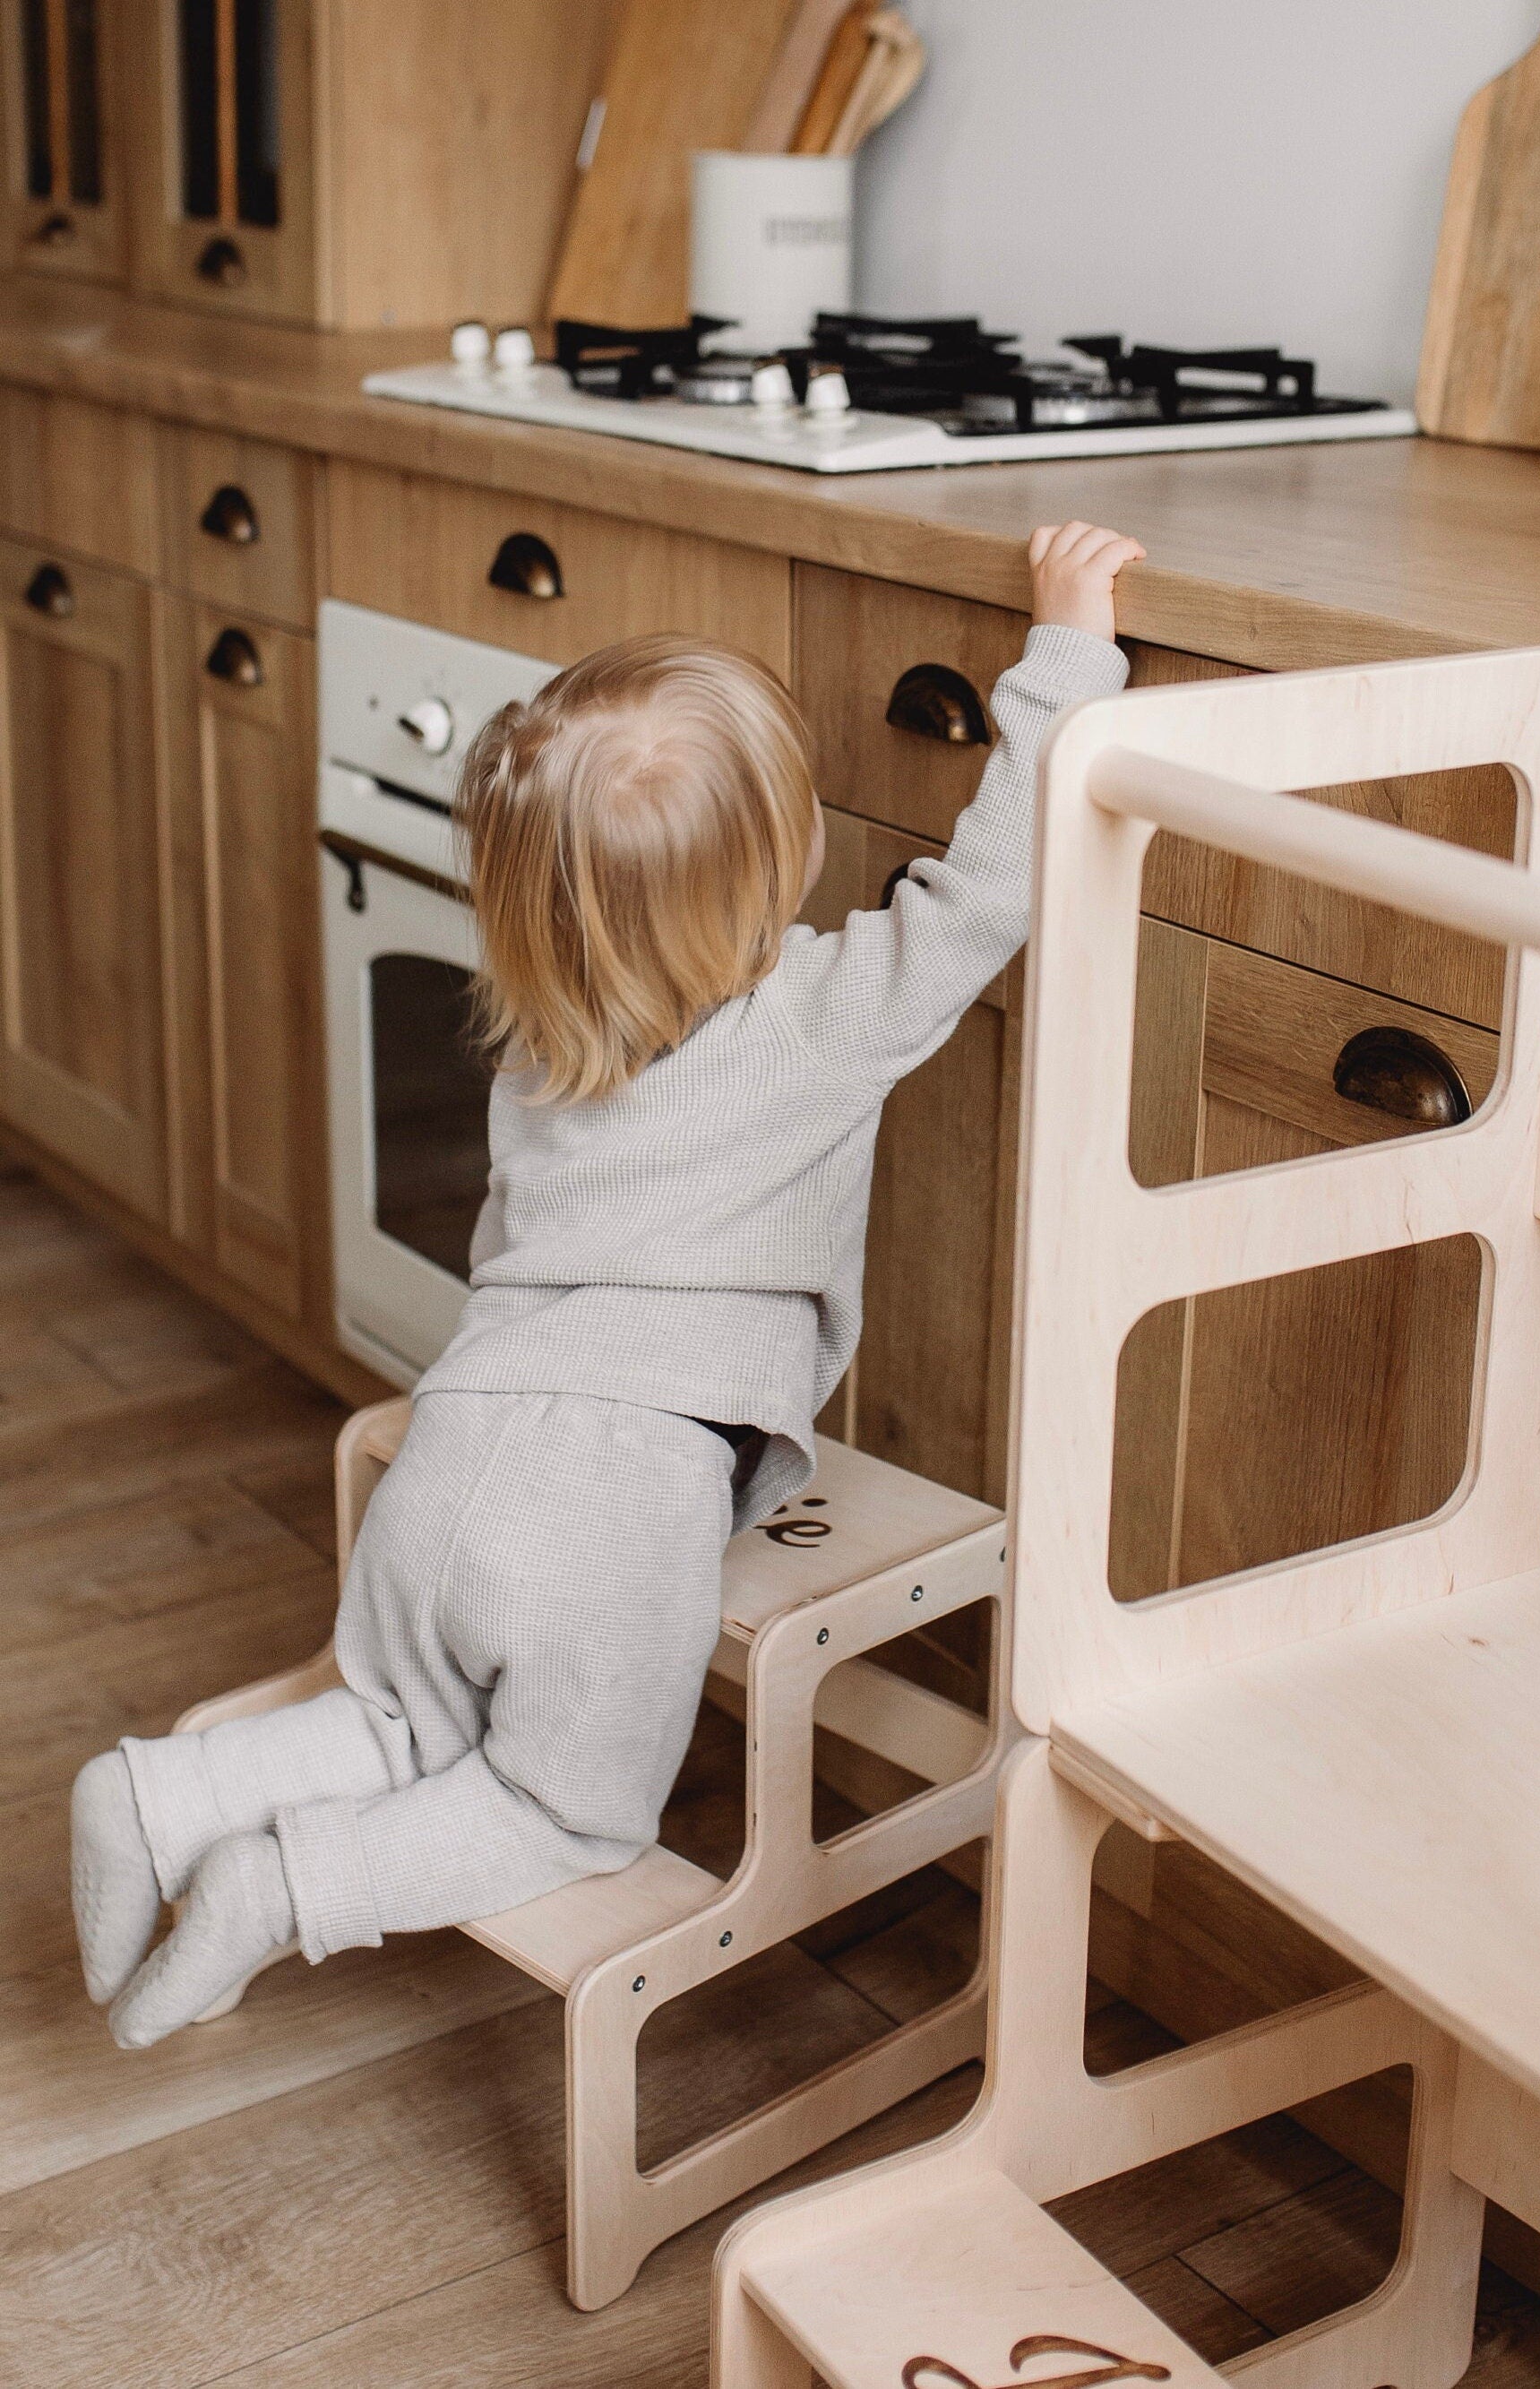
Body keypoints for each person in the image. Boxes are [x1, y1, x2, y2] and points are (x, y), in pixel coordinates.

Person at [71, 519, 1146, 2048]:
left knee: (399, 1719)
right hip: (617, 1497)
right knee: (564, 1812)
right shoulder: (818, 1019)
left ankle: (159, 1792)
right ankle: (279, 1890)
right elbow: (991, 884)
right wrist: (1070, 644)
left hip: (454, 1448)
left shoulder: (540, 1043)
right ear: (782, 858)